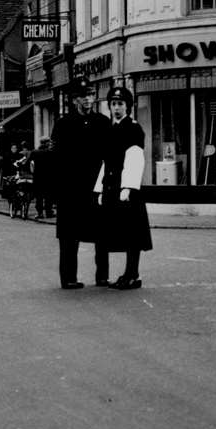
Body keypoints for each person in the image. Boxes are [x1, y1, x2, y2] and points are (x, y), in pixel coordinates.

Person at [51, 81, 112, 289]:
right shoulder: (63, 124)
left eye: (90, 94)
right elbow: (57, 158)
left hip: (96, 187)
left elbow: (109, 155)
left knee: (102, 232)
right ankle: (68, 278)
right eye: (83, 96)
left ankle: (102, 276)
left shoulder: (103, 122)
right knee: (69, 235)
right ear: (74, 99)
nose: (87, 99)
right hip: (71, 188)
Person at [94, 88, 152, 290]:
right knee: (117, 231)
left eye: (120, 104)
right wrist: (100, 189)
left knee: (131, 233)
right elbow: (106, 162)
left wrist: (127, 188)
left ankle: (133, 274)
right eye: (113, 104)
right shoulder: (110, 129)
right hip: (110, 187)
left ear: (128, 106)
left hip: (126, 189)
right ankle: (127, 274)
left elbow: (135, 159)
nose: (116, 108)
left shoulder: (133, 129)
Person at [31, 138, 55, 220]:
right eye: (49, 142)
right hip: (49, 177)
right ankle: (48, 212)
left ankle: (40, 213)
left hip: (38, 177)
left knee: (39, 196)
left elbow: (28, 162)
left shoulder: (34, 152)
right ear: (47, 143)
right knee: (49, 195)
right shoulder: (51, 152)